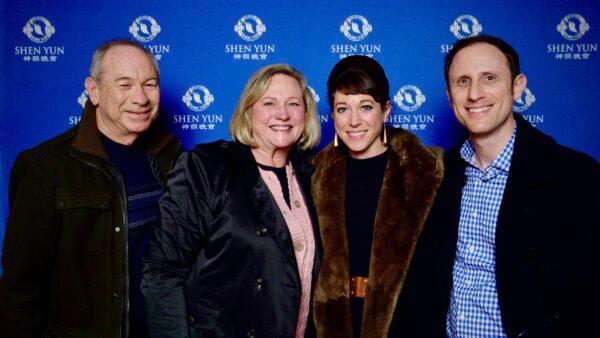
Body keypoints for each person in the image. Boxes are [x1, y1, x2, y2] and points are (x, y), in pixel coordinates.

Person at [394, 35, 600, 337]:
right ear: (450, 95)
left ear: (517, 86)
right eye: (462, 82)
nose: (475, 93)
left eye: (489, 78)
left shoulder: (575, 177)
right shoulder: (438, 176)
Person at [0, 39, 181, 337]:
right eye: (124, 84)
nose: (140, 98)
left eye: (150, 84)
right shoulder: (45, 167)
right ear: (93, 90)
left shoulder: (172, 159)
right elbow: (21, 289)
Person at [142, 64, 322, 338]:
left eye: (293, 103)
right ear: (249, 111)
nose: (282, 114)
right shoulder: (208, 169)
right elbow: (161, 272)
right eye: (269, 102)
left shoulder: (312, 179)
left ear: (305, 114)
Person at [310, 55, 444, 338]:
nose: (354, 121)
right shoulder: (315, 175)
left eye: (366, 107)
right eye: (343, 108)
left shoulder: (427, 172)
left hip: (407, 323)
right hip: (335, 325)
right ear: (332, 115)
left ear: (386, 111)